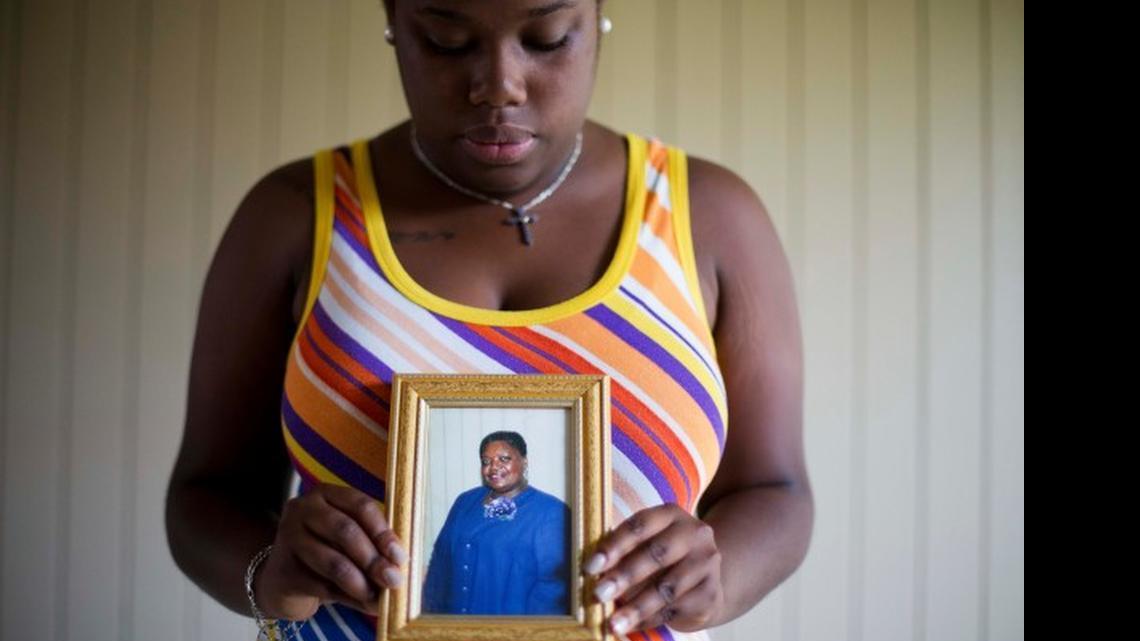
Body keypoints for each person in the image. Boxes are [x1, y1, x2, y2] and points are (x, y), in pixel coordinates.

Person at [166, 1, 814, 640]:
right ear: (393, 20)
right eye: (447, 41)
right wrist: (268, 570)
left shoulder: (708, 215)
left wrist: (717, 576)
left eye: (547, 37)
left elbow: (775, 488)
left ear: (597, 18)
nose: (498, 87)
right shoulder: (294, 214)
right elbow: (204, 494)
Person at [421, 431, 571, 616]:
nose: (493, 467)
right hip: (453, 624)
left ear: (524, 462)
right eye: (486, 461)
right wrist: (430, 617)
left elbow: (552, 588)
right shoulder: (465, 501)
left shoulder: (551, 512)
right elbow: (440, 562)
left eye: (504, 459)